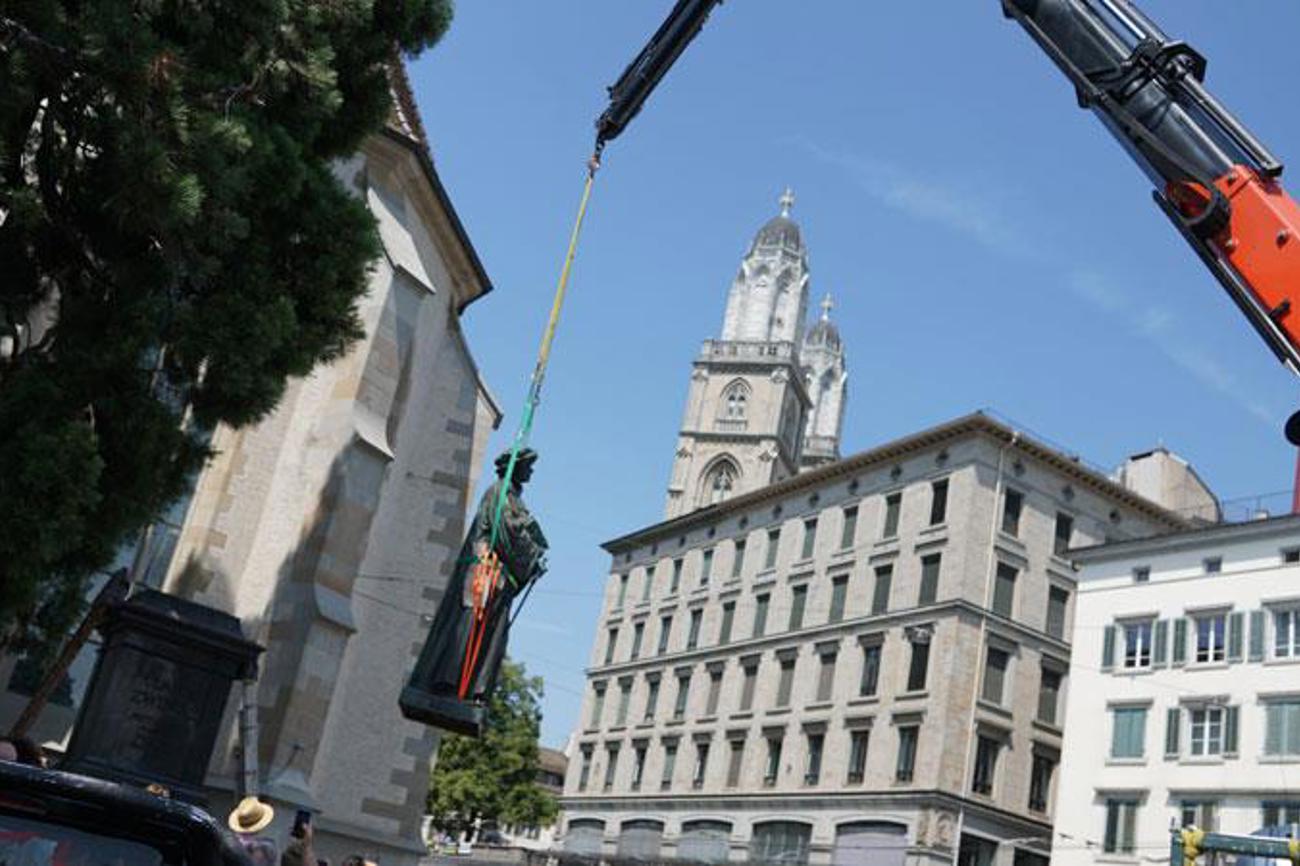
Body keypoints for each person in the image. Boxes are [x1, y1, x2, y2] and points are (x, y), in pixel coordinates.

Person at [401, 448, 548, 736]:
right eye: (528, 466)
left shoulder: (513, 497)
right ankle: (449, 683)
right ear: (515, 467)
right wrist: (532, 555)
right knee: (468, 629)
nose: (531, 472)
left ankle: (475, 690)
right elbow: (506, 532)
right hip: (483, 573)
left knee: (493, 635)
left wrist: (532, 559)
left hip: (499, 579)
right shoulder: (499, 493)